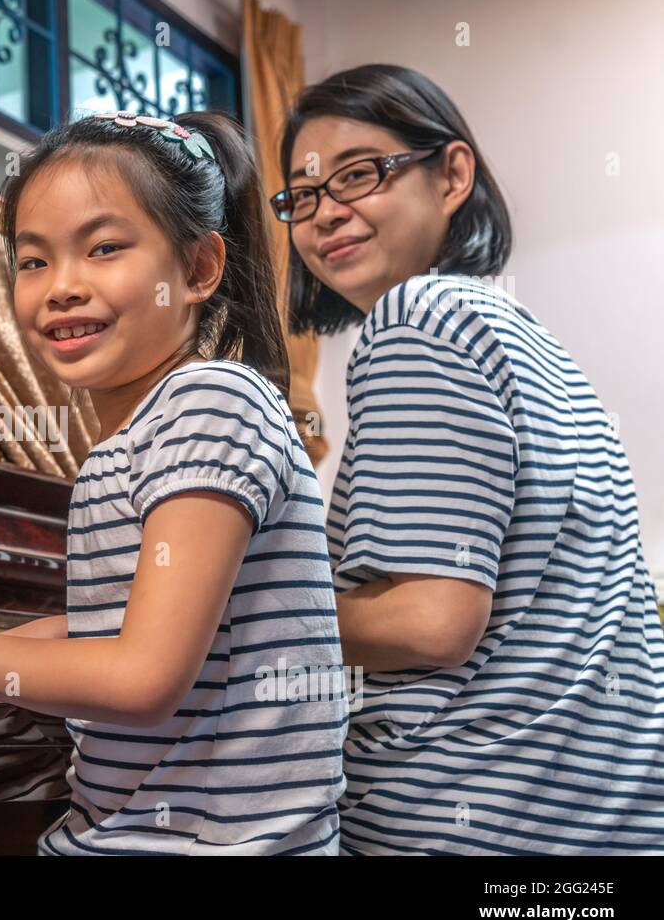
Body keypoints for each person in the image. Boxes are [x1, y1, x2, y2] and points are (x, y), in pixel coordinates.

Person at [0, 108, 348, 854]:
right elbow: (114, 625)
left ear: (199, 269)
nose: (61, 287)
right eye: (34, 261)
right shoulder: (131, 441)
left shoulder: (210, 402)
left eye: (103, 248)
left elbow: (142, 677)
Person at [273, 63, 664, 853]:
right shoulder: (528, 338)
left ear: (452, 174)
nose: (324, 215)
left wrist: (229, 617)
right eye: (302, 197)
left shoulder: (419, 316)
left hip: (467, 819)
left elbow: (431, 622)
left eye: (358, 174)